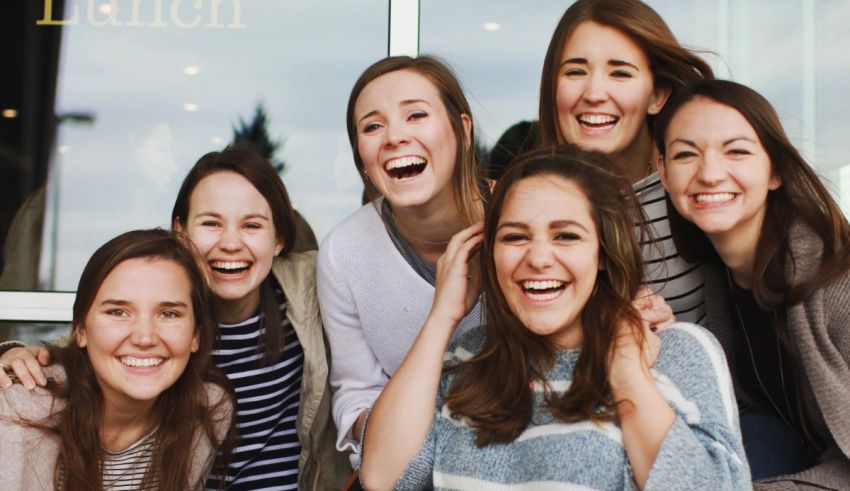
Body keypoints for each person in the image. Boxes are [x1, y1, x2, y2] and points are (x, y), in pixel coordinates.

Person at [360, 145, 750, 490]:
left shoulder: (677, 352)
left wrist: (627, 371)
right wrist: (441, 318)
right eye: (515, 237)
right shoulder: (466, 360)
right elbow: (382, 477)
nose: (539, 258)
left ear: (602, 252)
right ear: (488, 253)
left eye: (566, 236)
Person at [1, 146, 350, 489]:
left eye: (252, 226)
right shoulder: (168, 323)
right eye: (211, 223)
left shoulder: (315, 288)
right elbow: (97, 342)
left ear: (279, 239)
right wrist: (17, 355)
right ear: (180, 232)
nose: (231, 243)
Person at [656, 79, 850, 487]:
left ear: (776, 171)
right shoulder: (718, 276)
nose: (709, 174)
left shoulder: (836, 281)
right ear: (663, 171)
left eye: (737, 151)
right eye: (686, 154)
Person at [317, 55, 488, 466]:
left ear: (462, 130)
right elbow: (356, 394)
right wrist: (386, 430)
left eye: (415, 115)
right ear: (362, 157)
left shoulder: (521, 223)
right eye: (372, 126)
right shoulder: (344, 252)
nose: (394, 136)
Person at [0, 229, 233, 490]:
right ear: (80, 330)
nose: (144, 338)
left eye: (168, 313)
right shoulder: (17, 409)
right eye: (118, 312)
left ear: (196, 336)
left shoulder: (207, 410)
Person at [537, 0, 714, 323]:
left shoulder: (700, 189)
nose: (594, 93)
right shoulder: (528, 206)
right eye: (575, 71)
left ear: (657, 95)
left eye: (620, 73)